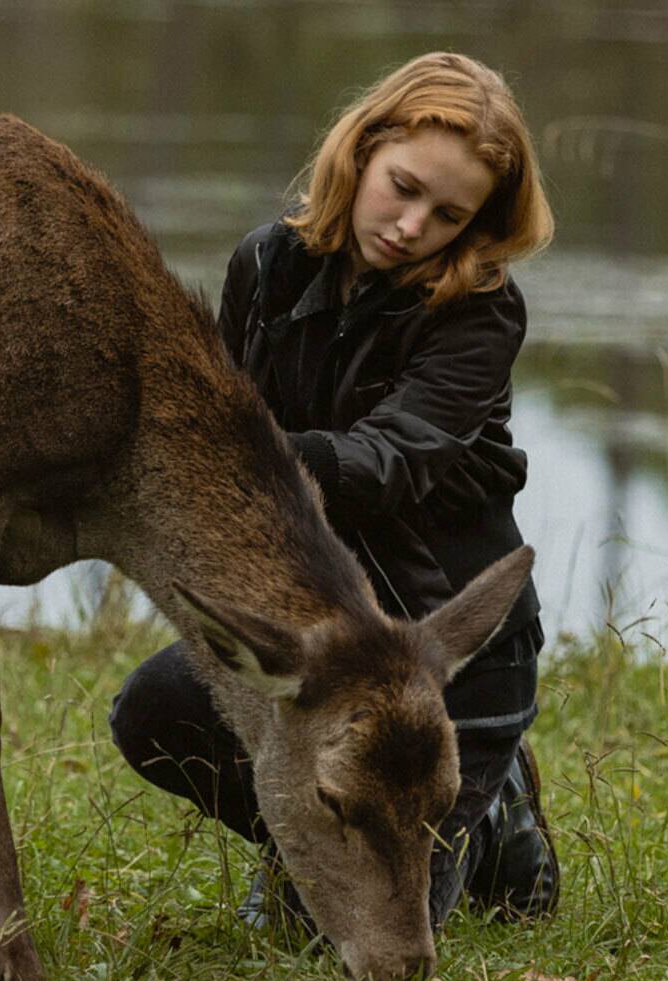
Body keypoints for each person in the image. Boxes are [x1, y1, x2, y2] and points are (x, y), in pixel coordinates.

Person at [107, 52, 560, 932]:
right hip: (325, 638)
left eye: (448, 215)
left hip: (448, 648)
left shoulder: (481, 314)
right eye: (403, 187)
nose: (411, 225)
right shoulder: (266, 264)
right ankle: (311, 829)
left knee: (348, 931)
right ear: (362, 149)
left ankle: (496, 808)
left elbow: (384, 465)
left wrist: (239, 450)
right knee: (150, 713)